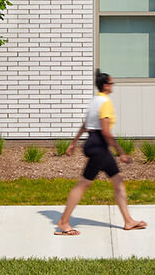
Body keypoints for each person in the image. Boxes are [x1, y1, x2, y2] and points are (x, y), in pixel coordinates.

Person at [56, 71, 147, 236]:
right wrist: (121, 152)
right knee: (83, 184)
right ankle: (63, 222)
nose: (113, 86)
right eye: (111, 83)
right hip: (99, 145)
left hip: (95, 143)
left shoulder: (94, 101)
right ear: (105, 85)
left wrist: (74, 142)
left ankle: (128, 221)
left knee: (118, 181)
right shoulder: (105, 102)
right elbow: (106, 131)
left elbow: (85, 124)